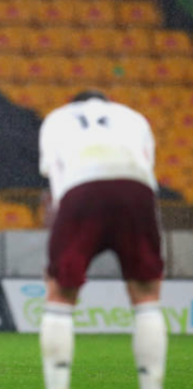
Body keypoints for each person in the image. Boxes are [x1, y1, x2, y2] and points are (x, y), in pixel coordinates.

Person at [38, 90, 167, 389]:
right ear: (109, 105)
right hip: (136, 188)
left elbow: (55, 176)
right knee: (147, 295)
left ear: (74, 105)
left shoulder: (57, 119)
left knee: (60, 293)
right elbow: (146, 170)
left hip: (81, 188)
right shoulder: (134, 118)